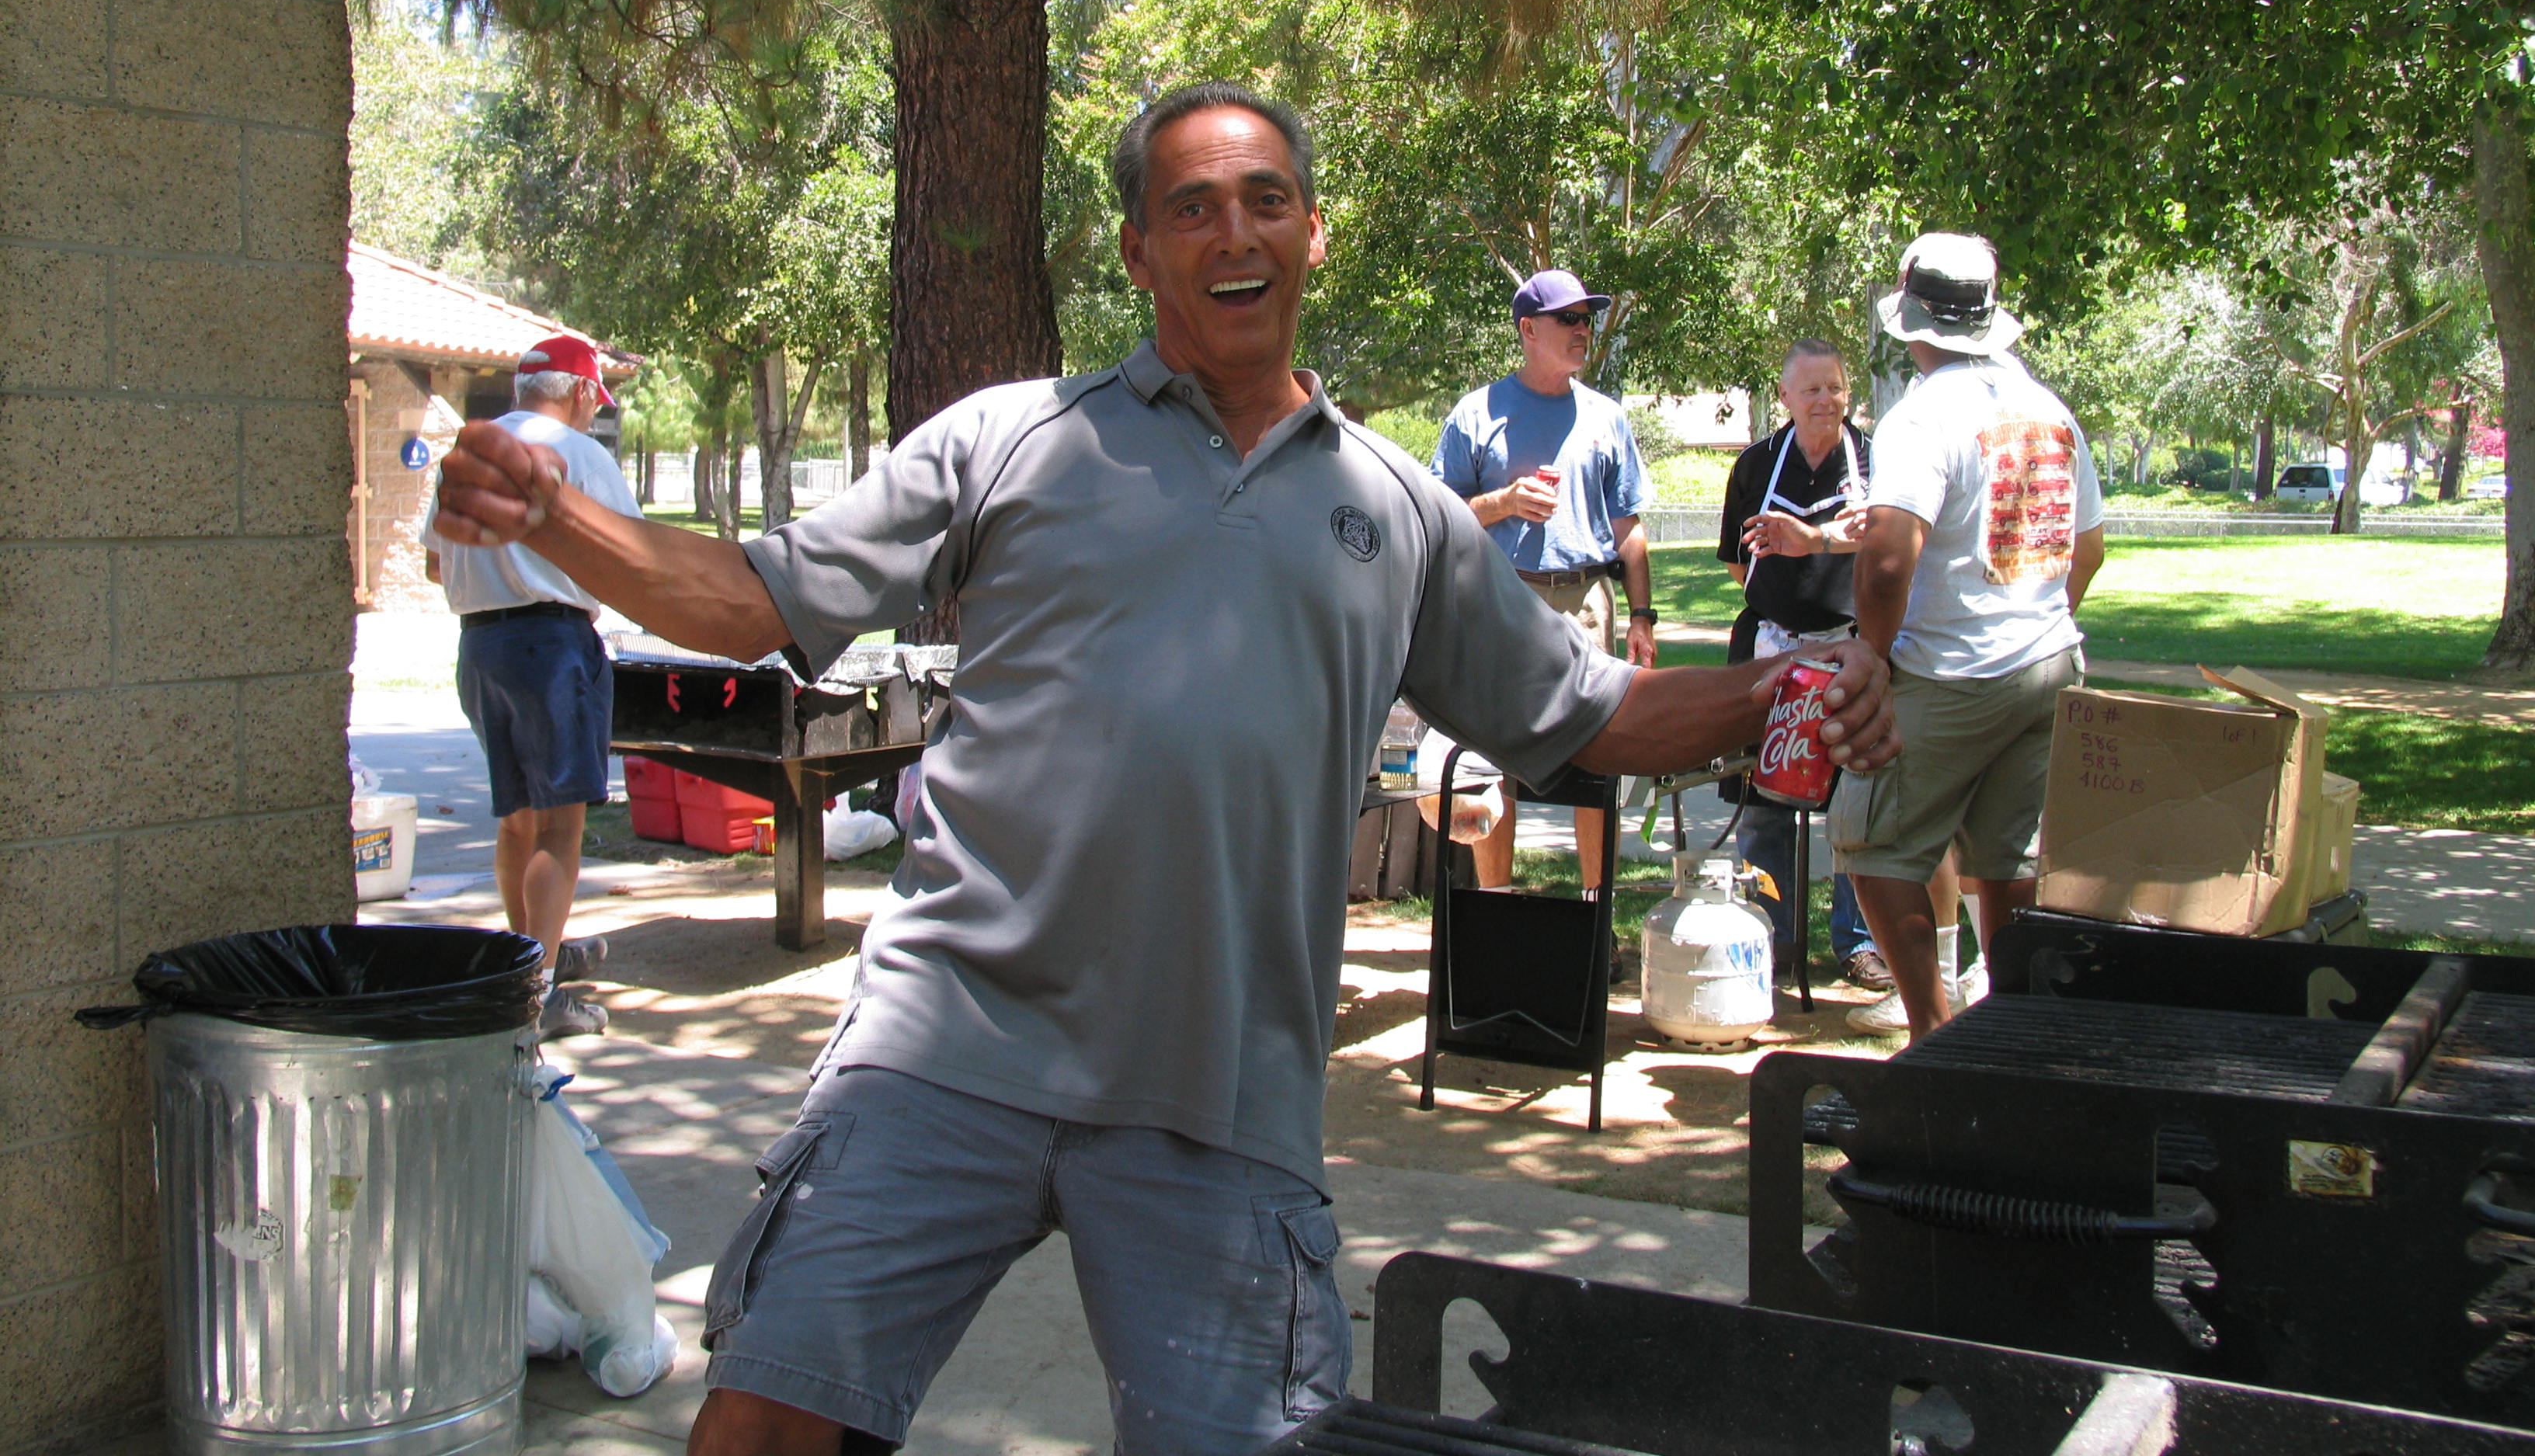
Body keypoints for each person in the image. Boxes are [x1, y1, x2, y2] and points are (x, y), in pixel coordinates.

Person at [426, 82, 1900, 1456]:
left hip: (1220, 1090)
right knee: (760, 1424)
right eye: (1191, 205)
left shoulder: (1393, 509)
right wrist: (558, 519)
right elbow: (757, 596)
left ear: (1311, 233)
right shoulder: (1012, 441)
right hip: (950, 1046)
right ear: (1139, 248)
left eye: (1264, 198)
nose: (1233, 230)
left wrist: (1775, 683)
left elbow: (1585, 714)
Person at [1834, 233, 2106, 1041]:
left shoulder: (1921, 416)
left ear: (1910, 319)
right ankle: (2011, 1039)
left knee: (1871, 840)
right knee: (2008, 861)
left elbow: (1886, 561)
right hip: (2050, 663)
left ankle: (1933, 1033)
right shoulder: (2048, 408)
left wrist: (1871, 659)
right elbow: (2087, 549)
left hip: (1950, 671)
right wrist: (2037, 618)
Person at [422, 334, 641, 1041]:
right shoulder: (582, 456)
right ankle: (538, 995)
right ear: (581, 391)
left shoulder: (470, 452)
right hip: (553, 646)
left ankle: (527, 960)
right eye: (592, 401)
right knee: (560, 825)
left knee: (517, 819)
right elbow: (631, 557)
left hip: (481, 646)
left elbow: (435, 566)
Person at [1432, 269, 1660, 890]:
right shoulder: (1476, 414)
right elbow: (1439, 519)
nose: (1583, 329)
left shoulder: (1607, 418)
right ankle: (1496, 904)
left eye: (1587, 318)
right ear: (1529, 330)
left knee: (1597, 750)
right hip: (1502, 599)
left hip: (1588, 601)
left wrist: (1641, 617)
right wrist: (1504, 502)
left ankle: (1594, 917)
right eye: (1570, 319)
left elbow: (1629, 530)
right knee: (1492, 754)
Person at [1716, 339, 1887, 995]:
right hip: (1770, 649)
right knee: (1764, 803)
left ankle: (1860, 942)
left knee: (1855, 801)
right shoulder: (1757, 465)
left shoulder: (1874, 461)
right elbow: (1739, 563)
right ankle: (1773, 935)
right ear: (1784, 397)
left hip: (1853, 648)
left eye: (1836, 389)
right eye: (1811, 390)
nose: (1825, 401)